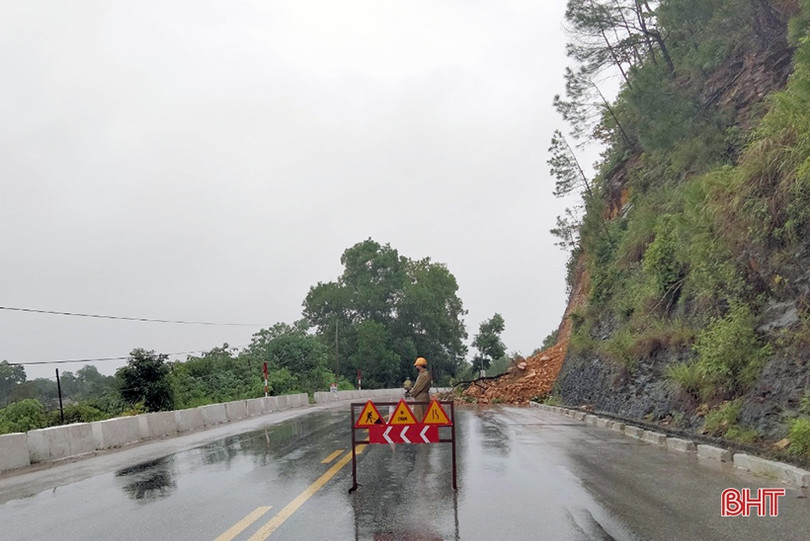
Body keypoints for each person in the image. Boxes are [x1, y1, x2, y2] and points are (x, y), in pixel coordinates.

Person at [410, 356, 432, 422]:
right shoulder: (422, 374)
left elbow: (418, 387)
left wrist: (412, 393)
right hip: (419, 397)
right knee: (418, 416)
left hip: (421, 398)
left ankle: (422, 431)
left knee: (421, 417)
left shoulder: (424, 375)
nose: (416, 367)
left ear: (420, 366)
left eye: (417, 366)